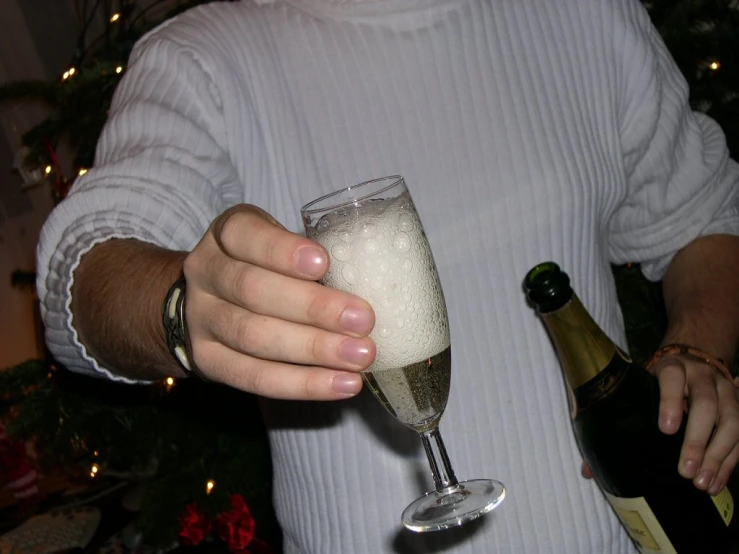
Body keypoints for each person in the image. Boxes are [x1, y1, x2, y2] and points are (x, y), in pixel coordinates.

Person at [36, 0, 739, 552]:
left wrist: (697, 347)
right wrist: (179, 311)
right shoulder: (202, 61)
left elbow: (704, 217)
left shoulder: (585, 14)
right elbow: (86, 265)